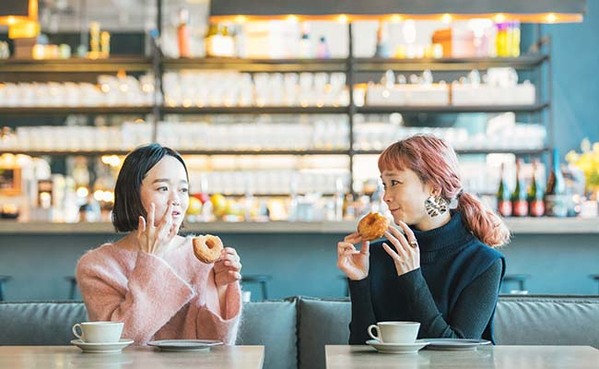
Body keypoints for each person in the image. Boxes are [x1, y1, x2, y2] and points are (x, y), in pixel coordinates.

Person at [337, 134, 510, 344]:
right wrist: (360, 282)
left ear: (434, 188)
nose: (386, 196)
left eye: (395, 182)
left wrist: (412, 277)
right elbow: (361, 349)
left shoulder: (483, 263)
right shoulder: (377, 255)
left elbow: (457, 351)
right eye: (385, 185)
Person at [76, 143, 242, 345]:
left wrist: (221, 288)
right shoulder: (97, 266)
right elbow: (120, 344)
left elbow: (221, 347)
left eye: (183, 189)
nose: (176, 200)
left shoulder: (201, 257)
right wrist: (150, 261)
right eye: (163, 188)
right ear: (133, 194)